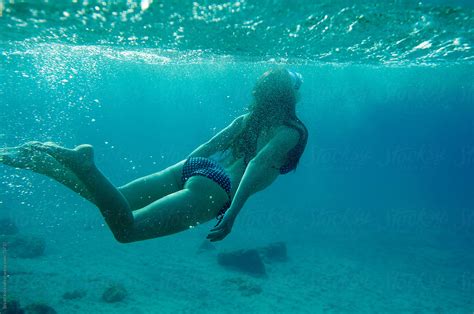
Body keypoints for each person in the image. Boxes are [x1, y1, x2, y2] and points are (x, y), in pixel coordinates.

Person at [0, 68, 308, 243]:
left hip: (196, 169)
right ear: (291, 95)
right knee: (126, 230)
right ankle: (84, 165)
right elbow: (255, 166)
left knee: (111, 198)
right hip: (218, 189)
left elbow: (205, 149)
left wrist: (188, 174)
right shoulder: (290, 131)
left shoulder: (247, 119)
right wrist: (230, 215)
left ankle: (38, 161)